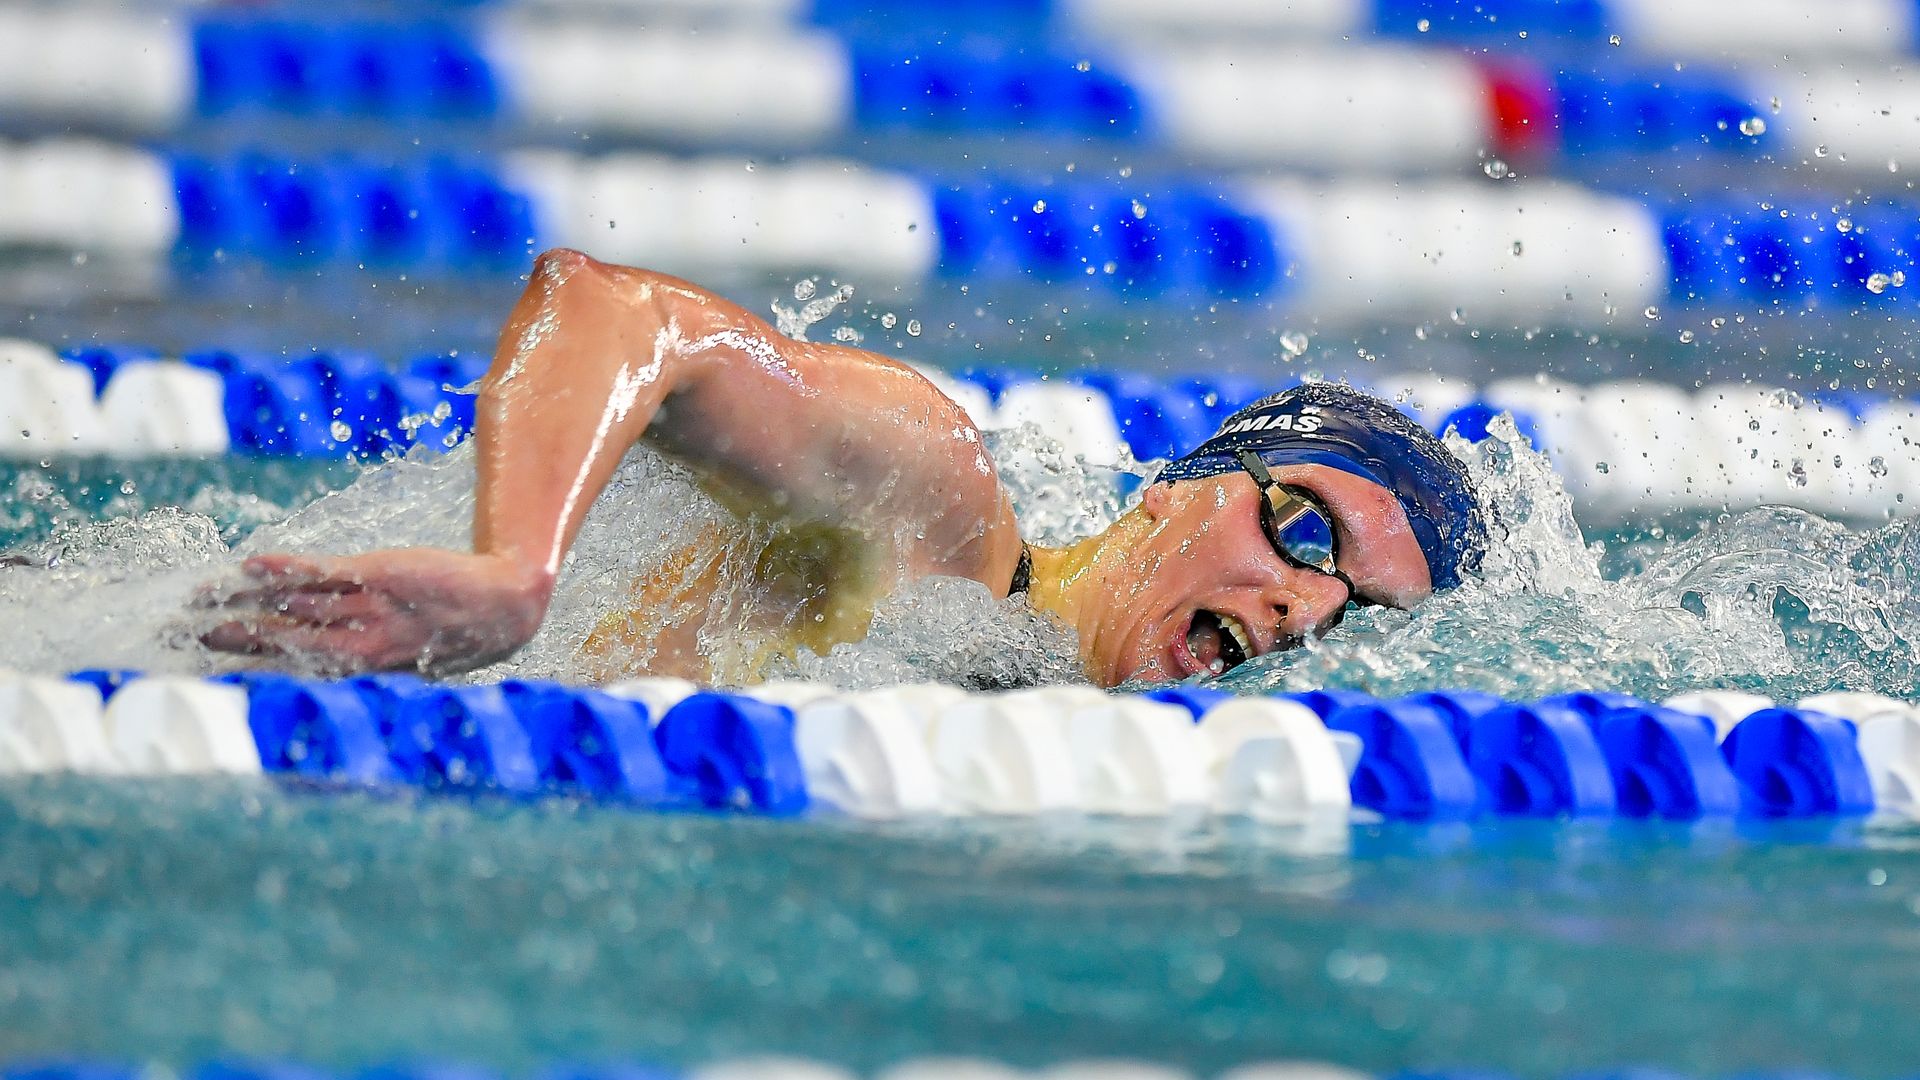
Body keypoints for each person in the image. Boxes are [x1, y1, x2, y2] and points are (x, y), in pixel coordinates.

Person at [202, 249, 1487, 687]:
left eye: (1353, 620)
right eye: (1311, 540)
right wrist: (511, 569)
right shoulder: (930, 516)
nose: (1304, 611)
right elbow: (612, 312)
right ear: (1177, 486)